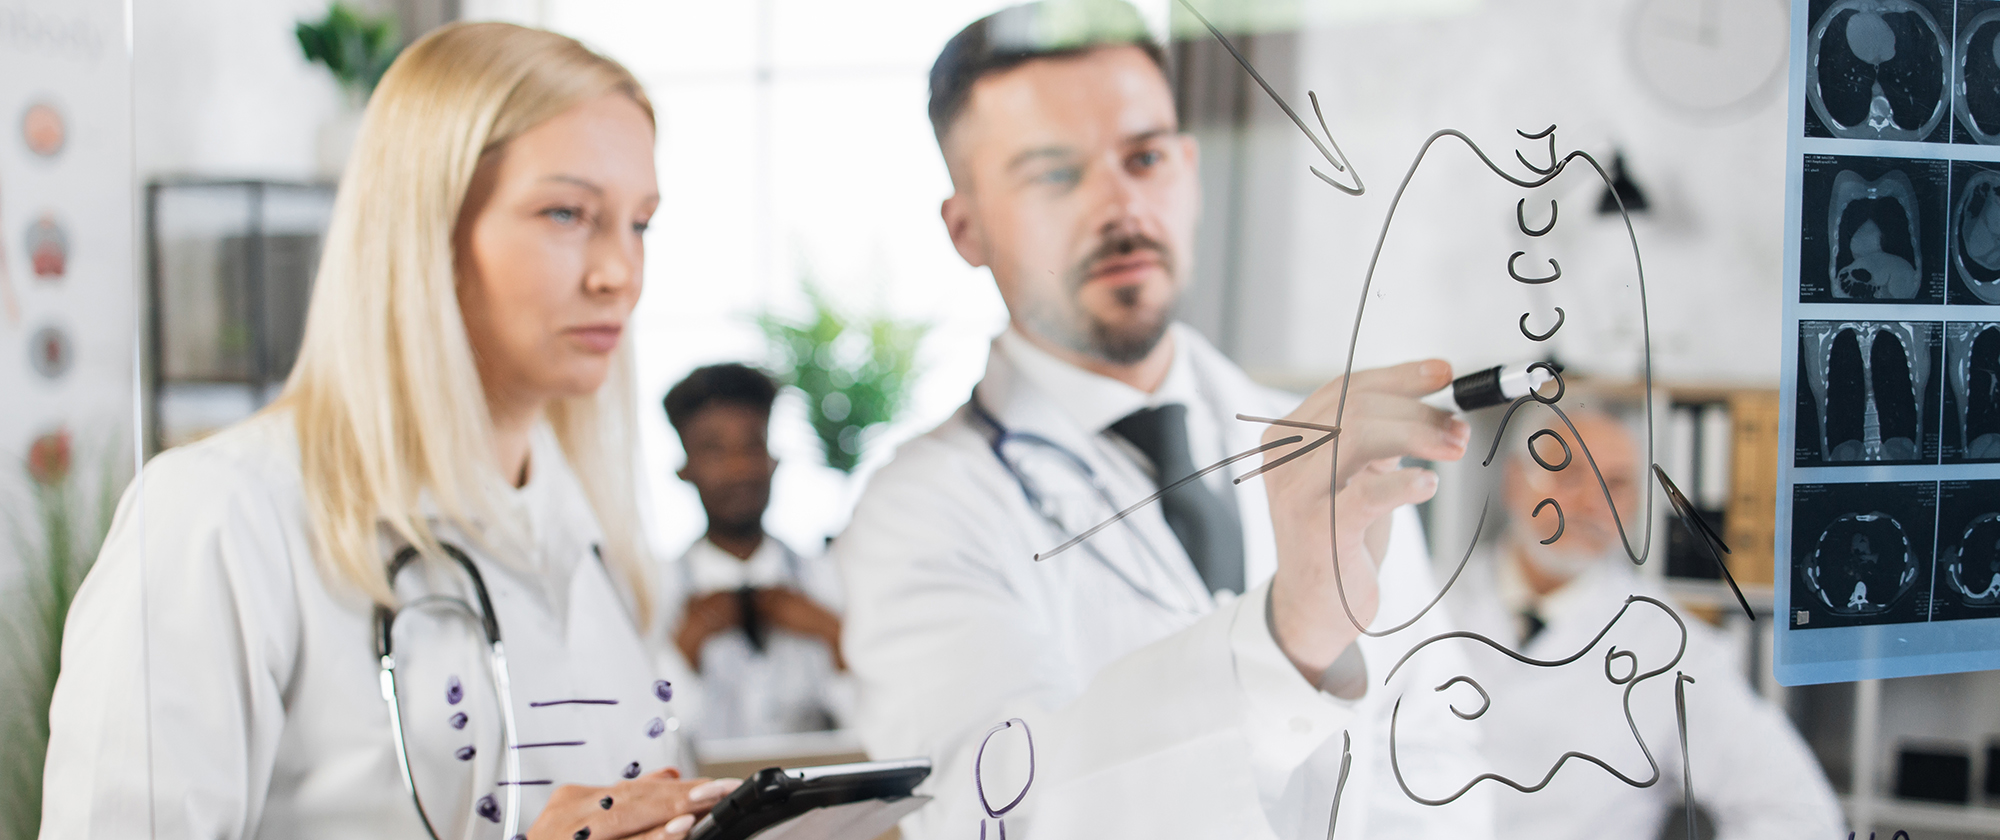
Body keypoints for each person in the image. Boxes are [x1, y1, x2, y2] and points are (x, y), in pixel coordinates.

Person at [41, 23, 739, 839]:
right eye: (567, 213)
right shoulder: (221, 516)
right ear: (428, 227)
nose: (619, 272)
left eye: (640, 224)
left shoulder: (594, 538)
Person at [834, 3, 1489, 837]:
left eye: (1144, 157)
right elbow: (994, 809)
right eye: (1054, 173)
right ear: (967, 228)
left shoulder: (1327, 459)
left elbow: (1436, 768)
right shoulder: (921, 511)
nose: (1120, 206)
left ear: (1188, 167)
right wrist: (1285, 642)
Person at [1442, 408, 1841, 840]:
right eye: (1568, 473)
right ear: (1515, 479)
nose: (1594, 503)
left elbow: (1798, 811)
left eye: (1616, 484)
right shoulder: (1426, 597)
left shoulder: (1672, 646)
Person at [662, 363, 850, 738]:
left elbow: (879, 720)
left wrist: (833, 634)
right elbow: (641, 738)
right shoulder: (655, 592)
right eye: (714, 450)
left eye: (752, 445)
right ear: (685, 469)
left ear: (773, 459)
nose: (739, 468)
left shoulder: (829, 577)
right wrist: (682, 648)